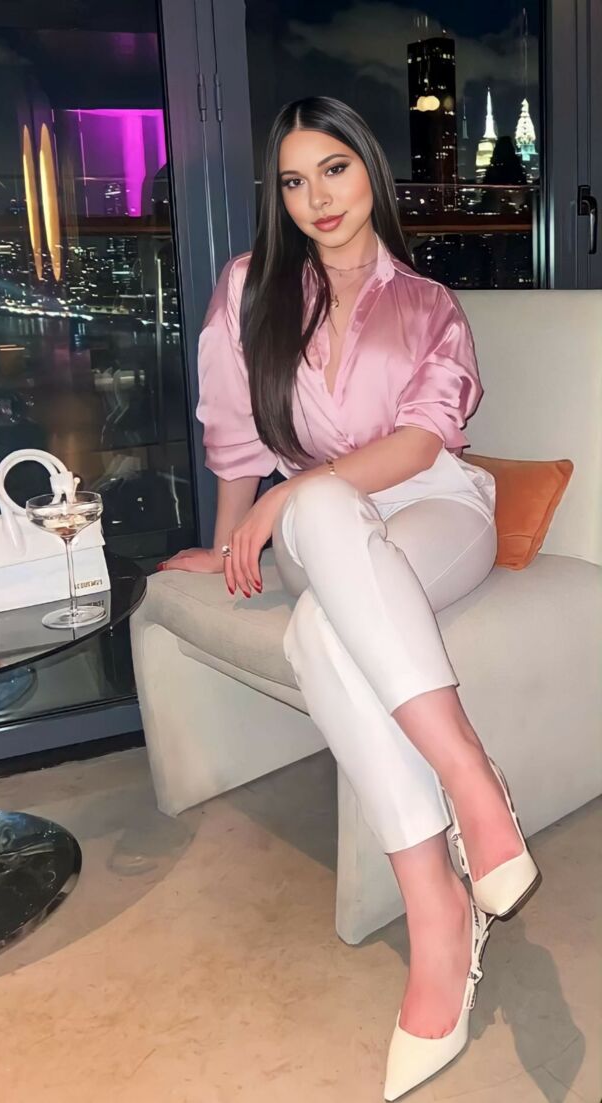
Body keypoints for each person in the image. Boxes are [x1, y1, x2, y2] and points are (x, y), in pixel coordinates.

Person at [157, 96, 540, 1100]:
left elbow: (421, 443)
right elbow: (235, 438)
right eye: (293, 180)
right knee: (321, 521)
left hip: (433, 507)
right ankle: (461, 830)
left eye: (334, 168)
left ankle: (445, 877)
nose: (316, 198)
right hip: (314, 527)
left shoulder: (428, 303)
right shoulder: (249, 290)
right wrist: (235, 532)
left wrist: (293, 494)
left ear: (370, 168)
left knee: (321, 613)